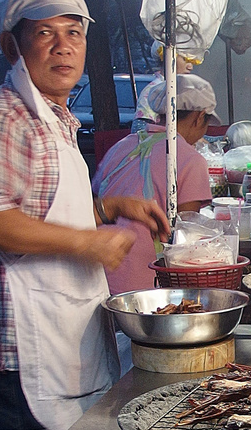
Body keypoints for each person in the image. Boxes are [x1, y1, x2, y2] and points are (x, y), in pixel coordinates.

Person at [0, 0, 170, 430]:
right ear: (13, 45)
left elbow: (41, 210)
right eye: (45, 33)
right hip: (16, 353)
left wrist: (108, 207)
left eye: (73, 33)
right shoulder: (4, 116)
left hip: (58, 335)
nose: (63, 47)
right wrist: (85, 242)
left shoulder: (55, 118)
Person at [92, 73, 216, 294]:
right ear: (199, 117)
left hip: (95, 273)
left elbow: (94, 203)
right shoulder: (190, 159)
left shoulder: (120, 147)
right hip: (144, 285)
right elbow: (186, 235)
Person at [131, 40, 193, 133]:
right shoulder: (153, 90)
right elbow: (139, 131)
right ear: (168, 58)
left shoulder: (182, 89)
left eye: (192, 61)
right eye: (185, 59)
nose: (190, 67)